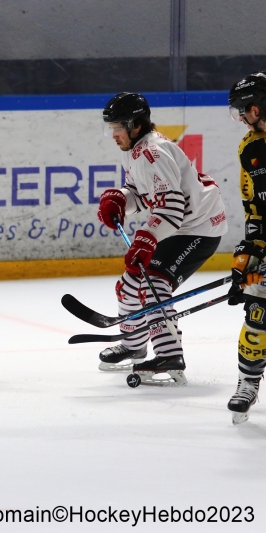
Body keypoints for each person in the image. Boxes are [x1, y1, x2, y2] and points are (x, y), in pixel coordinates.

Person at [96, 92, 228, 386]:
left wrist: (146, 238)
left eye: (117, 127)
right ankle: (134, 344)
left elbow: (171, 206)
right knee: (130, 283)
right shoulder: (135, 150)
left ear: (135, 125)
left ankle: (170, 355)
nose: (113, 134)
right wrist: (121, 200)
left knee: (154, 281)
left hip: (199, 228)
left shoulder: (152, 152)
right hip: (178, 225)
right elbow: (144, 194)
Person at [225, 72, 266, 423]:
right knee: (258, 312)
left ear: (256, 108)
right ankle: (247, 383)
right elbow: (254, 212)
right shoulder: (249, 149)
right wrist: (245, 260)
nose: (240, 117)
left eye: (242, 110)